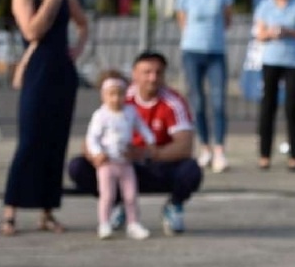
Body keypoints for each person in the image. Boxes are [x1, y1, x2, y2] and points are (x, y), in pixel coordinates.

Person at [1, 0, 90, 236]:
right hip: (37, 70)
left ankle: (47, 211)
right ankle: (10, 210)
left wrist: (77, 50)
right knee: (30, 141)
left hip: (62, 73)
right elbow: (31, 29)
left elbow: (83, 24)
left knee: (56, 142)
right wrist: (51, 2)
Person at [66, 51, 202, 233]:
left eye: (158, 73)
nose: (152, 78)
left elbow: (185, 146)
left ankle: (174, 206)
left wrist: (148, 153)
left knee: (191, 169)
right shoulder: (119, 96)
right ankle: (115, 203)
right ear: (134, 74)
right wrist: (97, 156)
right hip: (116, 163)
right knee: (77, 166)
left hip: (154, 166)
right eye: (147, 72)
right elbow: (90, 139)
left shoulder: (174, 102)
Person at [175, 0, 235, 173]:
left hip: (216, 51)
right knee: (197, 101)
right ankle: (205, 147)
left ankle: (219, 149)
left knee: (218, 101)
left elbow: (227, 19)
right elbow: (182, 21)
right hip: (192, 51)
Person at [84, 71, 155, 240]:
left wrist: (150, 139)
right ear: (104, 96)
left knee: (130, 195)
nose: (116, 99)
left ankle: (133, 223)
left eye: (120, 94)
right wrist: (97, 153)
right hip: (107, 163)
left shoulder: (130, 112)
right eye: (111, 95)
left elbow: (142, 126)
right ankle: (104, 223)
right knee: (107, 196)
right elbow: (92, 137)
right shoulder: (101, 115)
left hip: (125, 162)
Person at [253, 0, 295, 171]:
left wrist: (289, 32)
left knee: (291, 108)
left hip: (293, 61)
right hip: (271, 59)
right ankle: (264, 153)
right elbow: (259, 34)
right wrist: (270, 34)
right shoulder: (265, 5)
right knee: (268, 107)